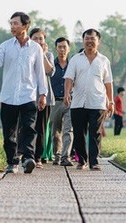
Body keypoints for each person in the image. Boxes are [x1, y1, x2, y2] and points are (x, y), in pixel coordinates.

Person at [0, 12, 47, 174]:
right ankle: (12, 162)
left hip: (28, 95)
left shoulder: (35, 49)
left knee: (29, 128)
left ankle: (28, 158)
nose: (12, 26)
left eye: (15, 23)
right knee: (9, 132)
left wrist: (43, 94)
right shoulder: (5, 46)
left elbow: (40, 73)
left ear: (25, 26)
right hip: (8, 96)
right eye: (11, 23)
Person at [64, 28, 113, 171]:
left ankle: (94, 161)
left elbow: (108, 82)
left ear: (98, 41)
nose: (89, 41)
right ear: (83, 40)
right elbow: (69, 78)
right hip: (78, 102)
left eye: (92, 39)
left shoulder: (104, 61)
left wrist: (110, 101)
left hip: (97, 102)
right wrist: (67, 93)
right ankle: (82, 160)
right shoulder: (75, 59)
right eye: (87, 38)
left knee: (95, 132)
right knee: (79, 132)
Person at [29, 27, 55, 168]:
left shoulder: (49, 55)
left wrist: (43, 54)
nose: (38, 41)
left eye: (41, 38)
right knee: (27, 127)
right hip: (27, 96)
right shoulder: (26, 54)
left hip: (45, 97)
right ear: (30, 39)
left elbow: (50, 71)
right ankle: (26, 155)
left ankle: (38, 157)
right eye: (35, 38)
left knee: (41, 128)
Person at [49, 37, 74, 166]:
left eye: (65, 47)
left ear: (69, 49)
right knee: (55, 131)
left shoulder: (73, 65)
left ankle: (66, 156)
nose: (62, 49)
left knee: (68, 130)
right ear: (56, 48)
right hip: (55, 102)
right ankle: (57, 155)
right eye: (60, 47)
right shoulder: (51, 65)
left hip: (70, 101)